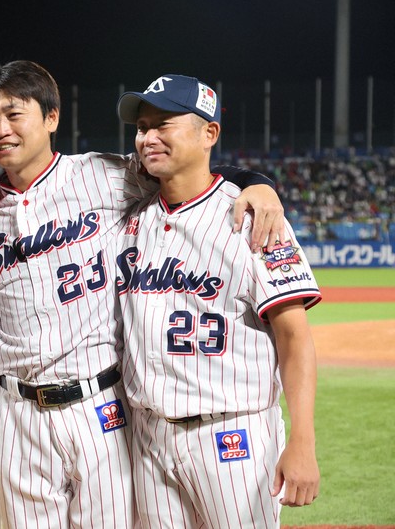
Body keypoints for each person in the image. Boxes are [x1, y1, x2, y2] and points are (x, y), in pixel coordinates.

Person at [0, 60, 285, 529]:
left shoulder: (105, 176)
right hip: (17, 412)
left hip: (100, 405)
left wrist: (257, 184)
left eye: (15, 114)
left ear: (51, 118)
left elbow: (190, 173)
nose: (1, 129)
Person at [115, 74, 321, 528]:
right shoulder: (130, 216)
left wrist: (303, 440)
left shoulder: (254, 220)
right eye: (142, 126)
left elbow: (294, 337)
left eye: (163, 124)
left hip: (232, 435)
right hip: (148, 437)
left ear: (209, 133)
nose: (147, 137)